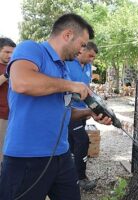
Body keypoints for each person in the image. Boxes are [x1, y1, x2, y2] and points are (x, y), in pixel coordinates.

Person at [0, 13, 111, 200]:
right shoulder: (31, 49)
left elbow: (62, 110)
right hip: (27, 158)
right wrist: (71, 85)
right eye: (82, 44)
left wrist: (88, 113)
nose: (82, 50)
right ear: (67, 35)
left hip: (62, 156)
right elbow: (22, 82)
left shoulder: (64, 68)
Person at [66, 41, 98, 190]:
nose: (92, 59)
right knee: (82, 141)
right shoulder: (68, 62)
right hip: (69, 111)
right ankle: (81, 178)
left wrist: (92, 106)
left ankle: (70, 175)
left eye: (94, 57)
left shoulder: (89, 66)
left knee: (73, 144)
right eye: (90, 55)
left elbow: (88, 88)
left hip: (83, 111)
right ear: (82, 50)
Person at [0, 38, 16, 164]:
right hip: (1, 116)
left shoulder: (14, 66)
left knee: (9, 151)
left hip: (13, 115)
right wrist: (6, 75)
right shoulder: (8, 69)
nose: (10, 55)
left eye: (12, 52)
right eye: (7, 52)